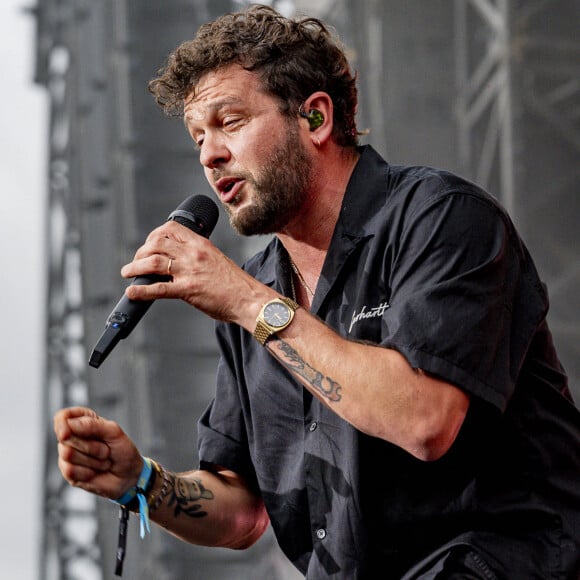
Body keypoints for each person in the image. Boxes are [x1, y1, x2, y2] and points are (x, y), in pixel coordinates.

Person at [54, 4, 580, 579]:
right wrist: (143, 482)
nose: (209, 154)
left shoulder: (441, 218)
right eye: (198, 136)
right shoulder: (254, 296)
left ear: (316, 118)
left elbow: (427, 422)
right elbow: (243, 514)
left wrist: (249, 303)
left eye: (230, 122)